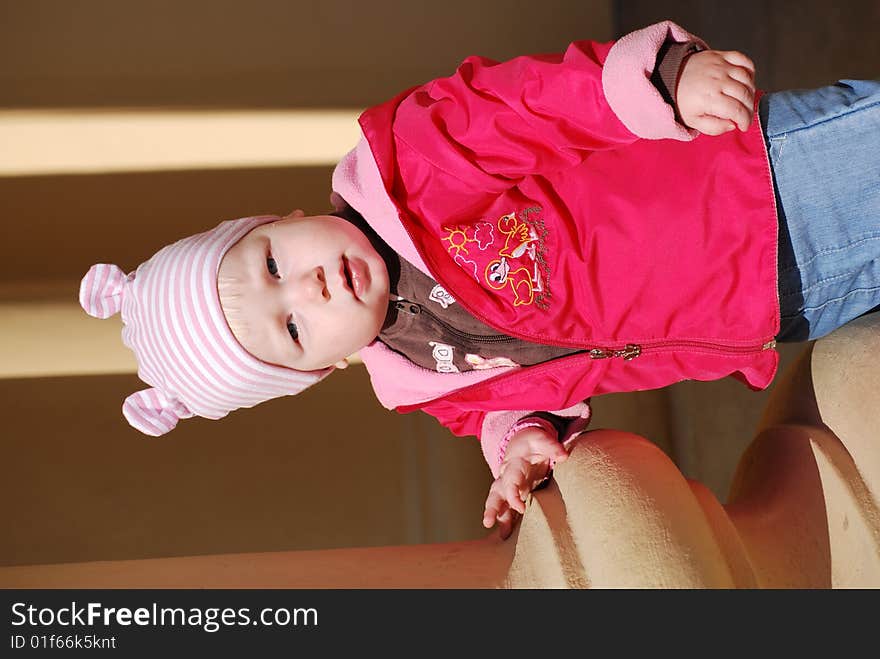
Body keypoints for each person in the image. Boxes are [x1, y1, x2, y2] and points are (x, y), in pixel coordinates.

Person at [79, 21, 880, 539]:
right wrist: (520, 441)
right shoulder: (418, 381)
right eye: (291, 328)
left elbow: (527, 108)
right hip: (770, 306)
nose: (310, 287)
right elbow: (499, 401)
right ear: (316, 369)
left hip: (759, 183)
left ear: (275, 217)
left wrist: (662, 80)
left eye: (273, 263)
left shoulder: (407, 168)